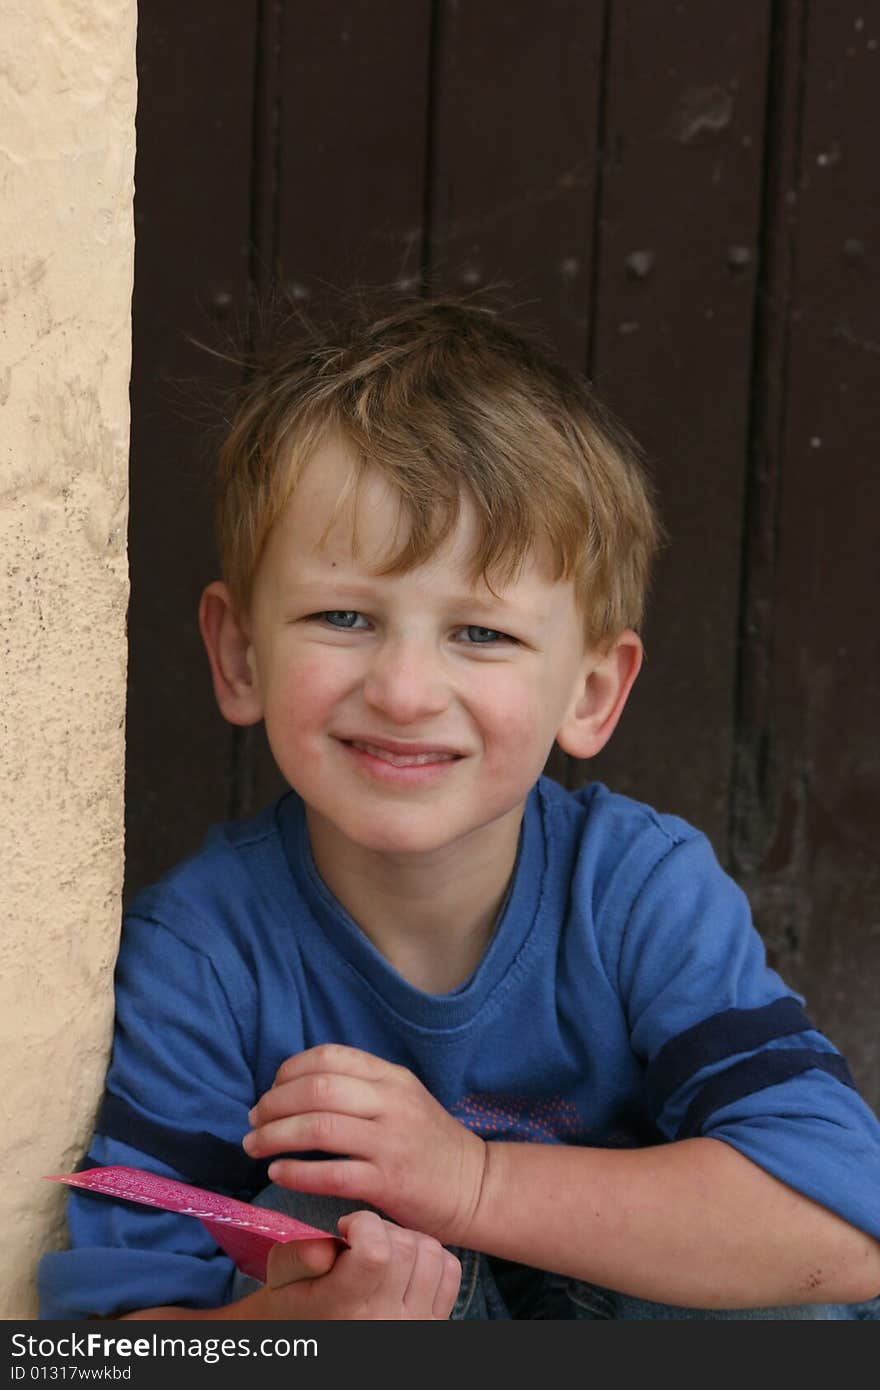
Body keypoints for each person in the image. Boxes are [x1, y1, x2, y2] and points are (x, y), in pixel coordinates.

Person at [39, 296, 880, 1320]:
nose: (403, 689)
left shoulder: (635, 892)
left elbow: (849, 1232)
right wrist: (304, 1328)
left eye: (480, 633)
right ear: (238, 654)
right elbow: (98, 1344)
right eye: (343, 616)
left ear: (591, 692)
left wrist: (473, 1184)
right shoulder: (206, 954)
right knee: (313, 1184)